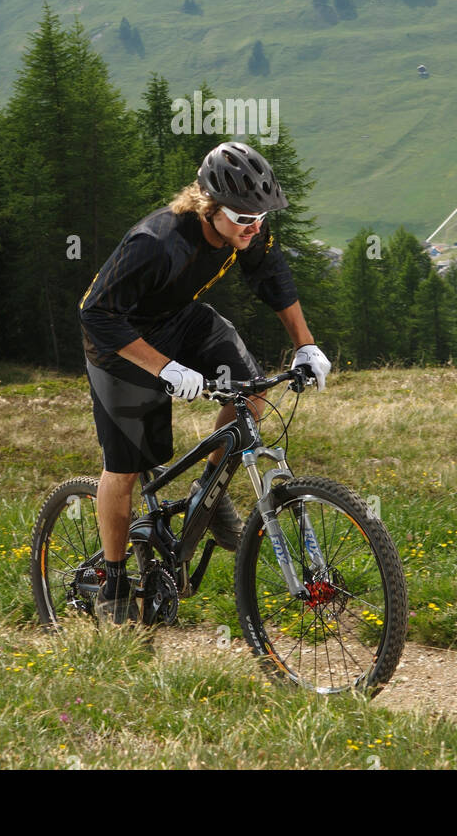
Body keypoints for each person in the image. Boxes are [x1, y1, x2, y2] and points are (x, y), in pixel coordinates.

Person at [77, 140, 332, 623]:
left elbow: (272, 276)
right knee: (127, 466)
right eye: (243, 220)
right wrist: (165, 368)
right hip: (118, 342)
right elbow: (95, 313)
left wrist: (306, 344)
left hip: (179, 319)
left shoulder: (246, 225)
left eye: (260, 218)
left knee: (252, 388)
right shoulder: (155, 243)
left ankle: (206, 498)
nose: (253, 229)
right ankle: (112, 580)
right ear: (209, 207)